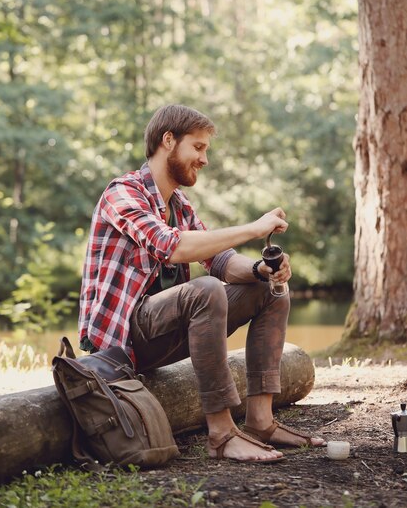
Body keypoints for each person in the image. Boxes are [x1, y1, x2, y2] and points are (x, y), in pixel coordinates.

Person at [79, 104, 325, 463]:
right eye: (198, 147)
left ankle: (260, 421)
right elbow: (171, 246)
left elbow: (220, 261)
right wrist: (253, 229)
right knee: (205, 290)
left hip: (163, 333)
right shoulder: (123, 193)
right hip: (120, 346)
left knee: (270, 290)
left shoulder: (178, 204)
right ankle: (222, 434)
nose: (204, 159)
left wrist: (262, 269)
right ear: (168, 141)